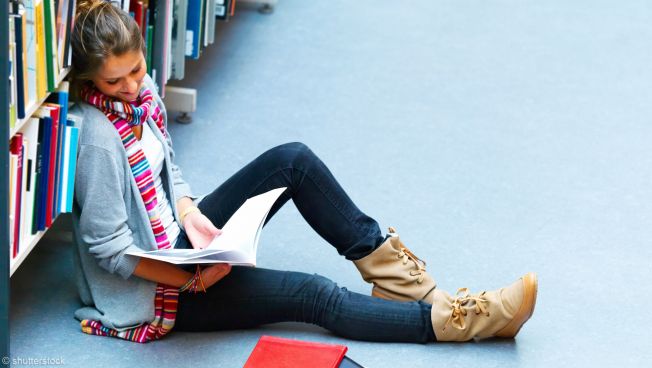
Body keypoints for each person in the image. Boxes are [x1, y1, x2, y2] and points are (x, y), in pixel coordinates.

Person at [69, 0, 537, 345]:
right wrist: (192, 279)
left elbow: (168, 172)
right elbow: (110, 249)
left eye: (135, 70)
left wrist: (189, 209)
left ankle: (402, 282)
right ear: (90, 79)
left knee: (294, 160)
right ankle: (464, 320)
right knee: (312, 294)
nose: (131, 87)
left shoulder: (141, 96)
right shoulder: (96, 140)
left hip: (179, 243)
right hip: (161, 290)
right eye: (115, 81)